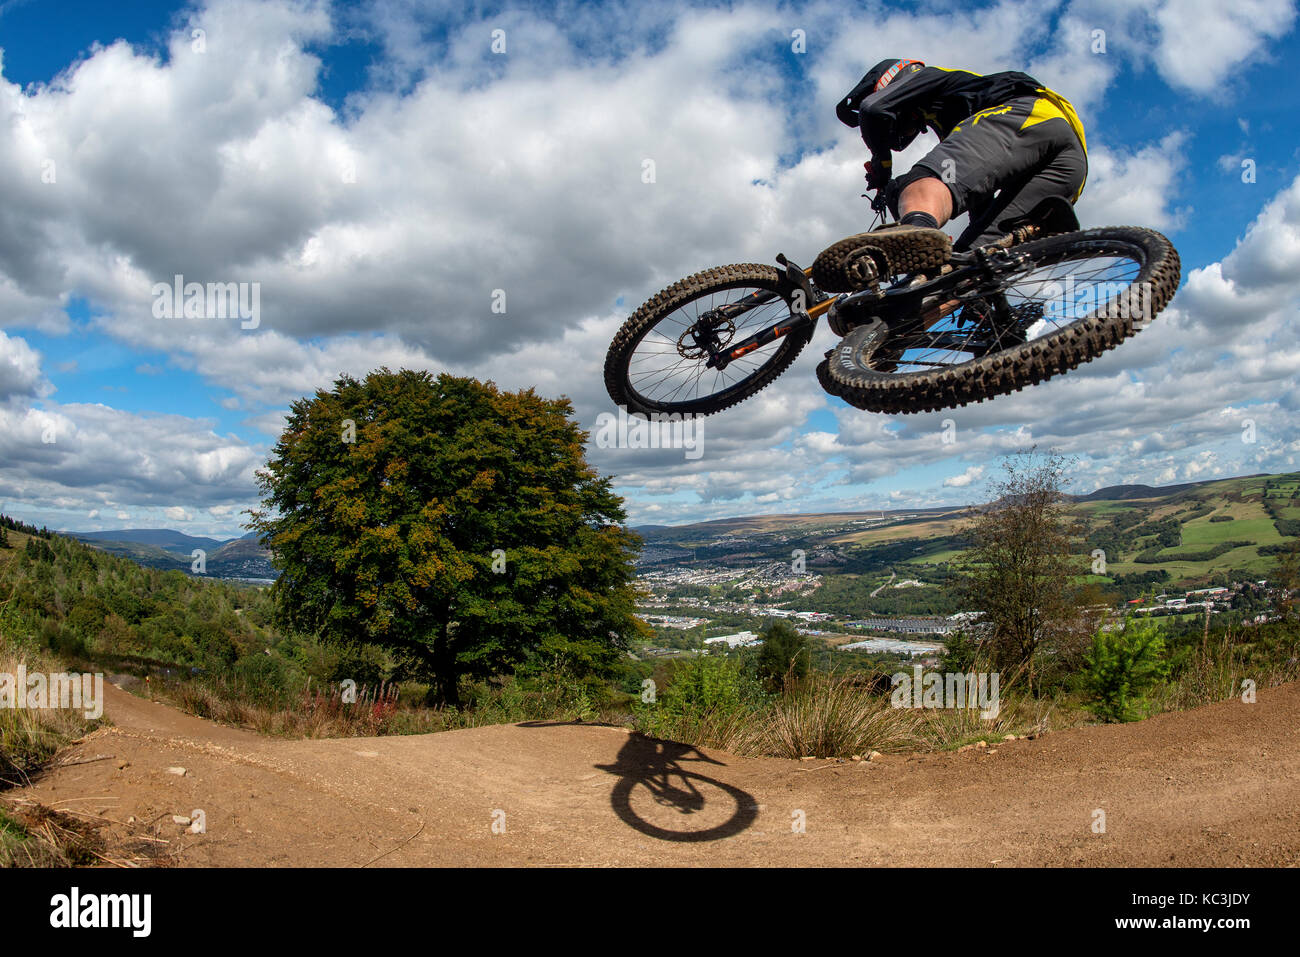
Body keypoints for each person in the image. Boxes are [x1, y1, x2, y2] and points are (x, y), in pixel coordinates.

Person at [834, 58, 1088, 260]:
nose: (914, 132)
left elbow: (872, 109)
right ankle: (985, 307)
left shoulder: (927, 77)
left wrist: (882, 165)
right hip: (1071, 164)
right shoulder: (954, 119)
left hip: (1030, 115)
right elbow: (979, 199)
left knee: (919, 182)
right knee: (971, 260)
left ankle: (914, 234)